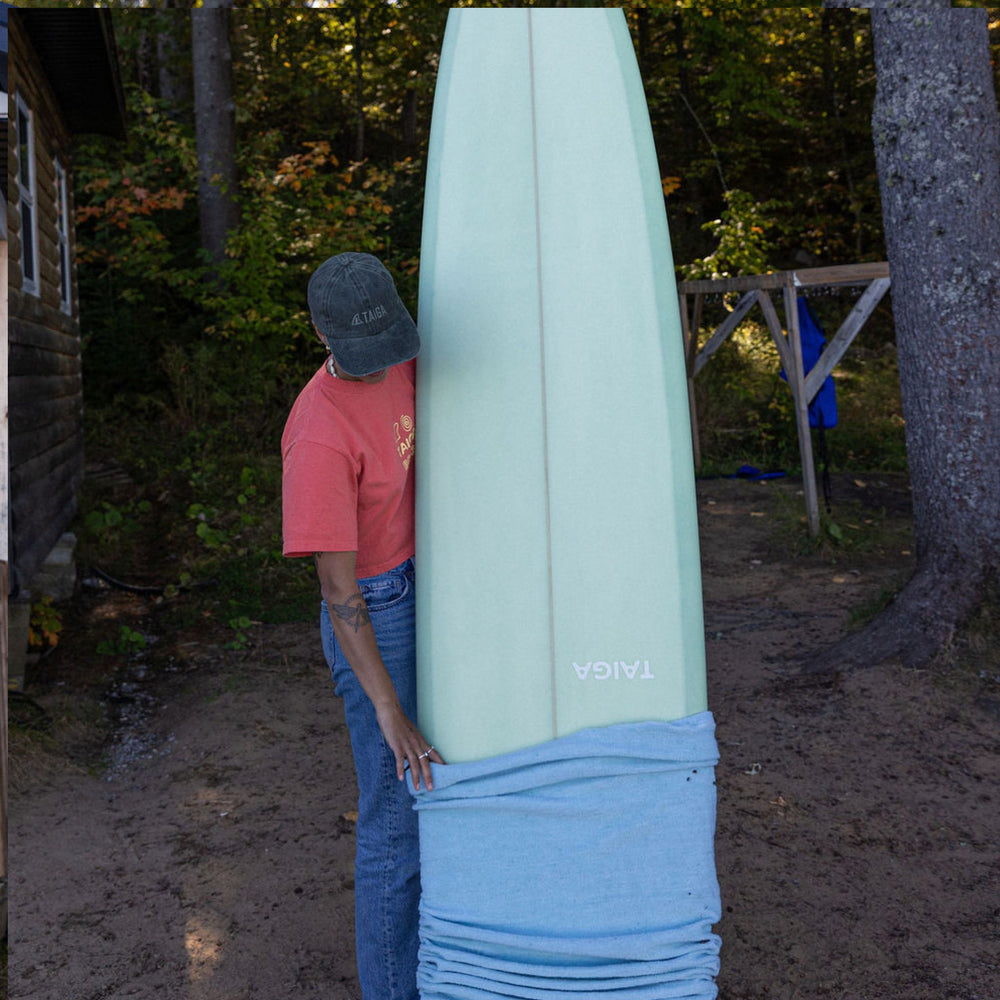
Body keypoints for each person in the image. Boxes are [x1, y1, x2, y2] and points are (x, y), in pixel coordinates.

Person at [281, 252, 442, 1000]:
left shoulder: (403, 356)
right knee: (396, 816)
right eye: (365, 359)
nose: (383, 372)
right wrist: (387, 707)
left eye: (390, 352)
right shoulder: (316, 434)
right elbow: (341, 593)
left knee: (443, 791)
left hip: (436, 581)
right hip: (377, 614)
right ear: (322, 334)